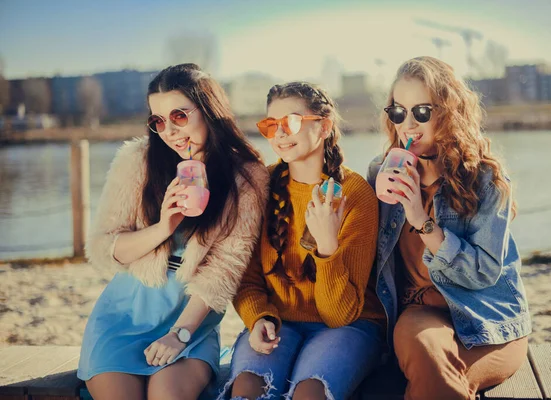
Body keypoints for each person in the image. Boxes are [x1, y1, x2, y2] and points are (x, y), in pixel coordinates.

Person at [77, 63, 269, 400]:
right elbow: (104, 246)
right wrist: (164, 227)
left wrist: (180, 334)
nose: (169, 131)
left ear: (209, 111)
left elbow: (225, 269)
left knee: (168, 395)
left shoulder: (248, 178)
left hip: (189, 323)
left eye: (179, 116)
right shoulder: (138, 161)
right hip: (125, 316)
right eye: (158, 121)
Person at [367, 56, 531, 400]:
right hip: (421, 314)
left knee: (437, 385)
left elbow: (483, 273)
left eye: (421, 112)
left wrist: (421, 220)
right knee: (430, 364)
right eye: (398, 112)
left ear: (450, 111)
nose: (408, 125)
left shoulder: (486, 180)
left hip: (488, 318)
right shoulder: (381, 173)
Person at [220, 81, 386, 400]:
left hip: (348, 325)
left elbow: (340, 314)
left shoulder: (354, 194)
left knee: (309, 393)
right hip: (280, 321)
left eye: (291, 122)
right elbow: (248, 278)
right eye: (271, 125)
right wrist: (258, 318)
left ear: (323, 127)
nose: (279, 134)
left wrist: (326, 246)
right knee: (247, 389)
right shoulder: (261, 187)